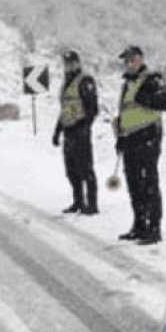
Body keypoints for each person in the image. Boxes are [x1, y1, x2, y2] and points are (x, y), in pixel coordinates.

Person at [114, 45, 166, 244]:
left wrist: (145, 98)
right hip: (130, 139)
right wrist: (120, 137)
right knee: (134, 185)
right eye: (126, 61)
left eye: (132, 59)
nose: (129, 64)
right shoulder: (127, 84)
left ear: (140, 59)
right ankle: (139, 225)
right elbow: (125, 112)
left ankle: (154, 228)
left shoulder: (152, 79)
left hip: (148, 137)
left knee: (149, 184)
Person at [52, 49, 99, 215]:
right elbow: (65, 110)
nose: (69, 66)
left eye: (71, 63)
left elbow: (93, 108)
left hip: (81, 132)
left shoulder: (85, 81)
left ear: (78, 63)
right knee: (71, 171)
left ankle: (92, 204)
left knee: (85, 169)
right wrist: (57, 132)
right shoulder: (66, 85)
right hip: (68, 132)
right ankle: (78, 202)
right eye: (66, 63)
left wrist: (85, 127)